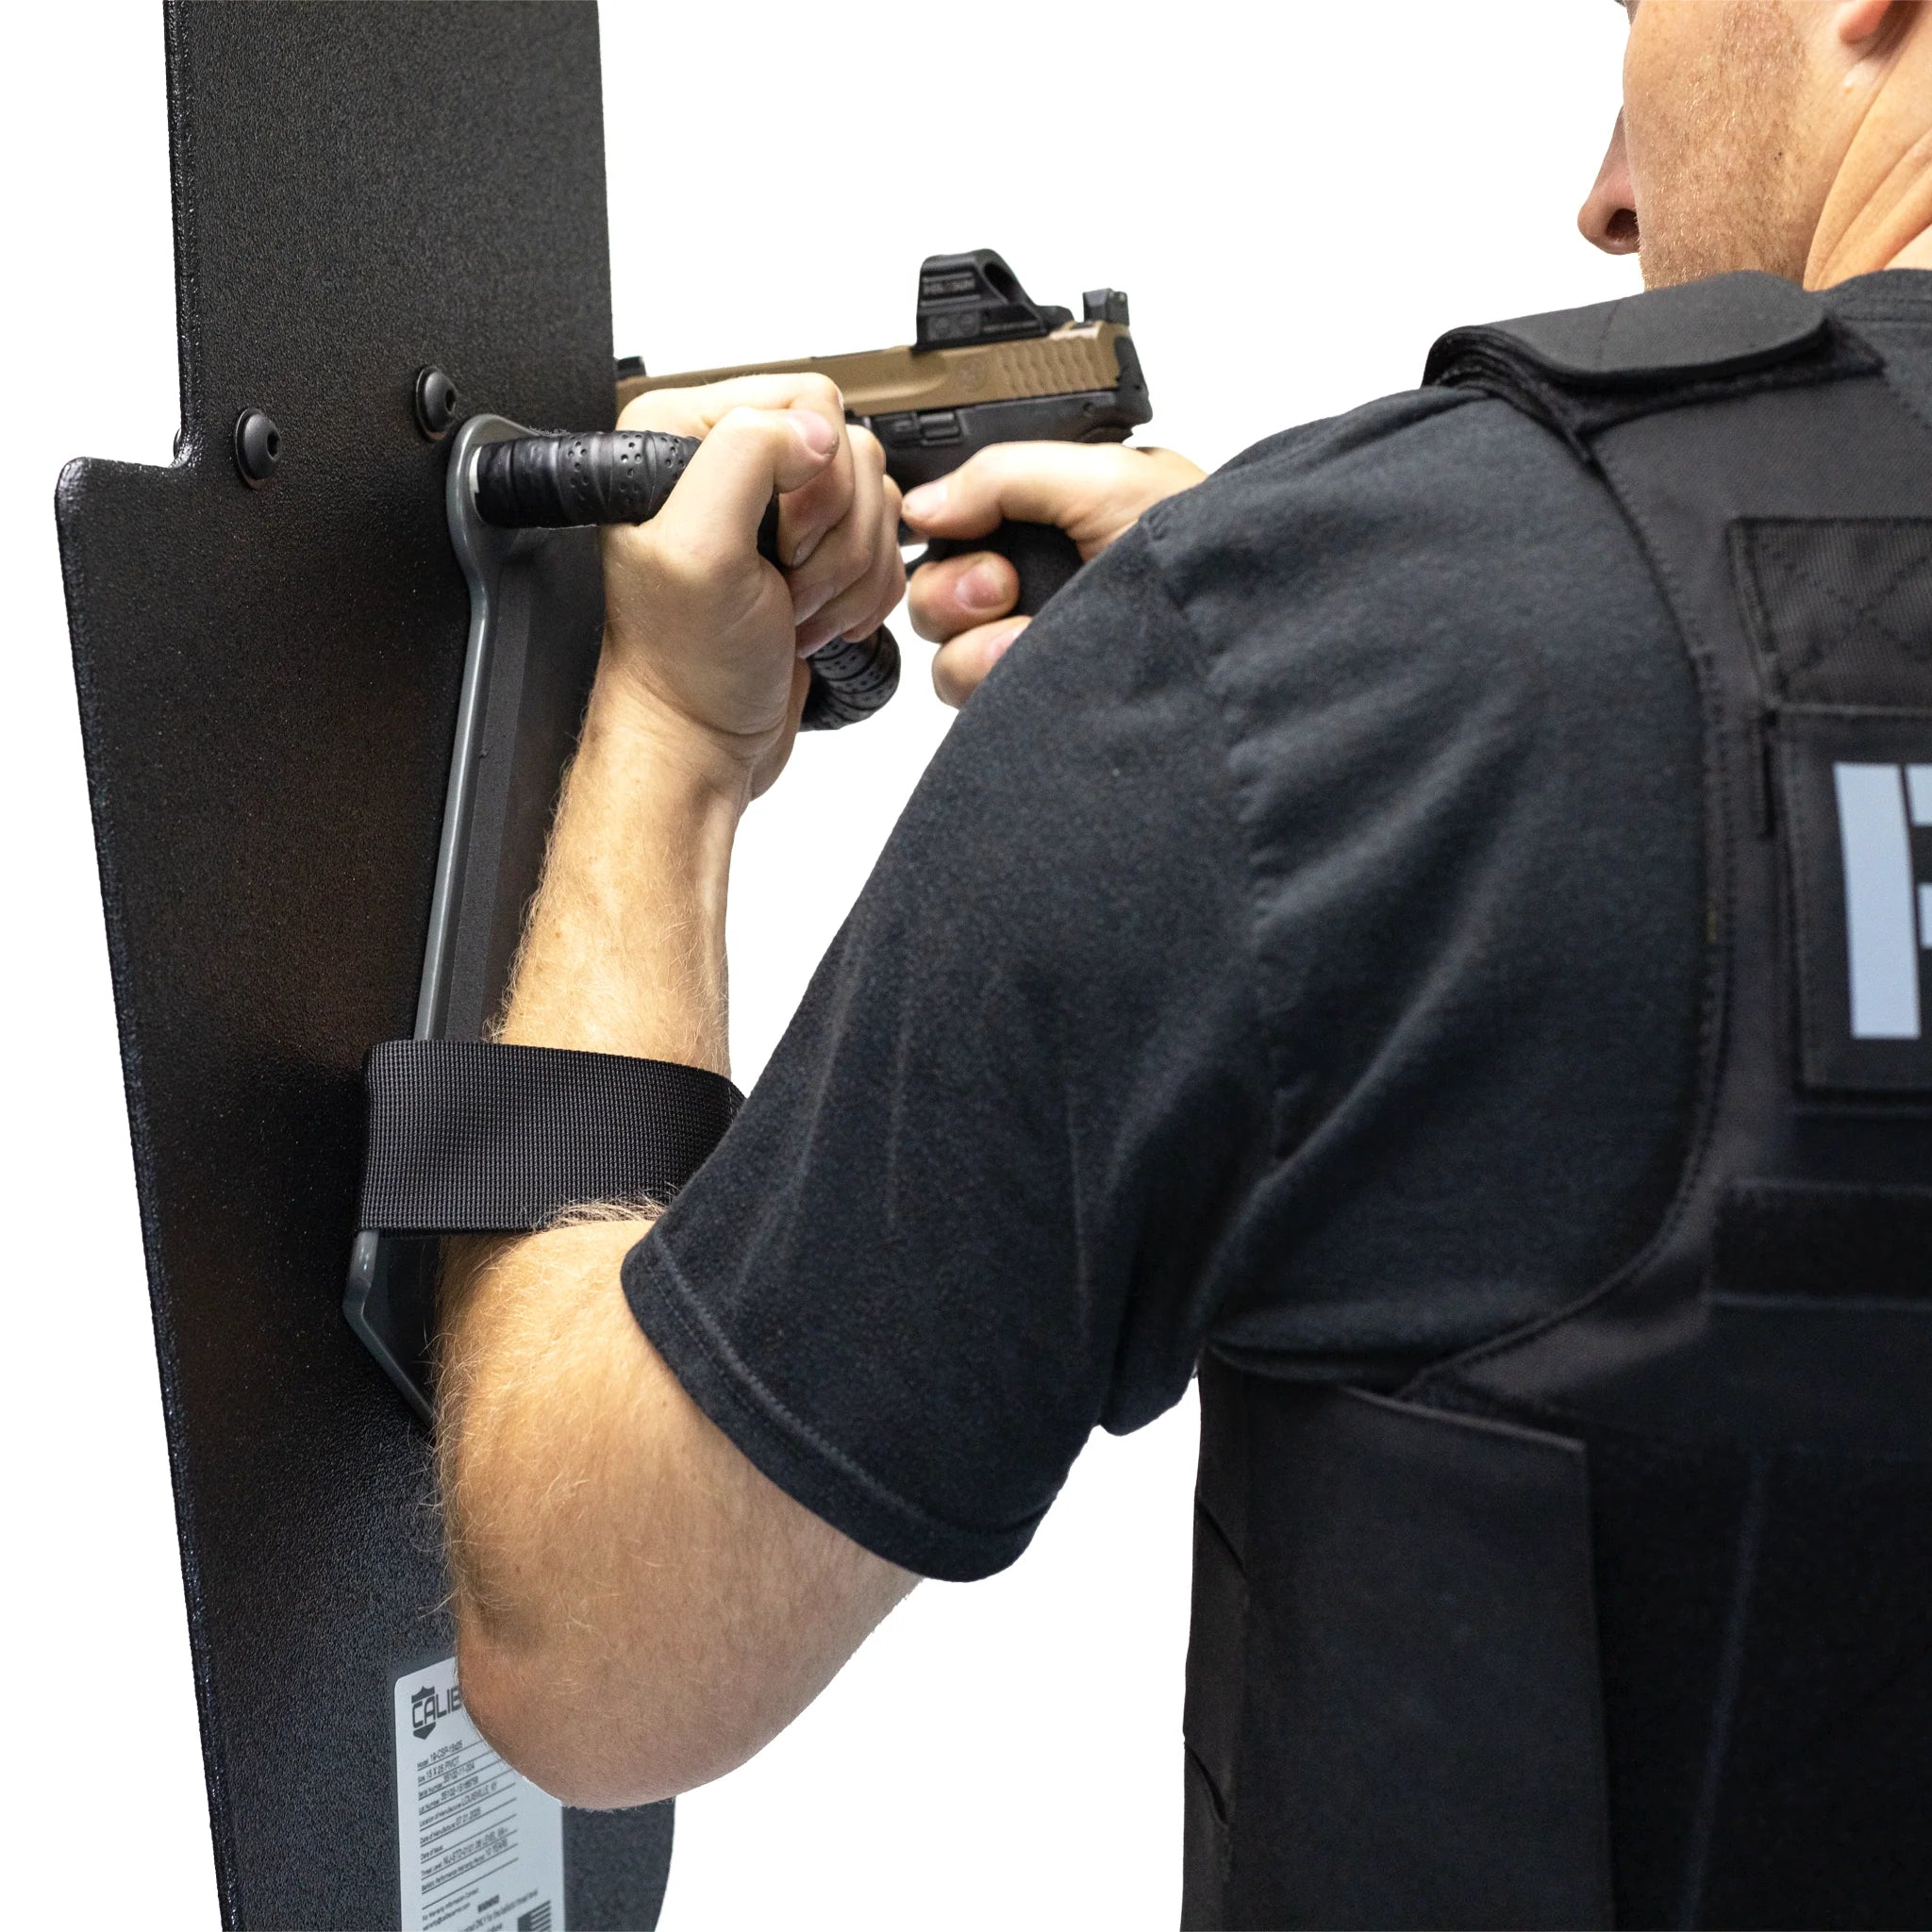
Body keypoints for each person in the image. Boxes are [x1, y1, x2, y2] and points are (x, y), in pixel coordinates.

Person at [434, 0, 1932, 1914]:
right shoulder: (1367, 642)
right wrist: (1314, 673)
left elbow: (590, 1649)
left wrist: (674, 731)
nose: (1607, 198)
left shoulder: (1330, 644)